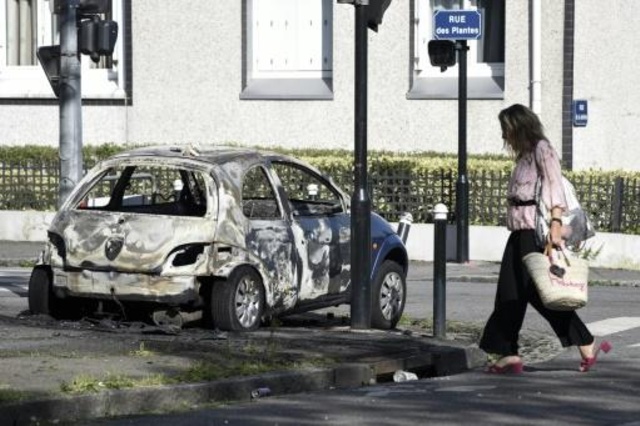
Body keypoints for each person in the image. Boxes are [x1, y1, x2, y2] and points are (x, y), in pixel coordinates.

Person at [479, 103, 611, 374]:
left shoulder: (542, 149)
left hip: (534, 233)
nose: (504, 137)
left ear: (519, 126)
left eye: (506, 130)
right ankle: (515, 353)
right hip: (519, 233)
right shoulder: (525, 155)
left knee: (525, 293)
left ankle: (511, 353)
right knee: (517, 293)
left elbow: (553, 186)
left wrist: (555, 224)